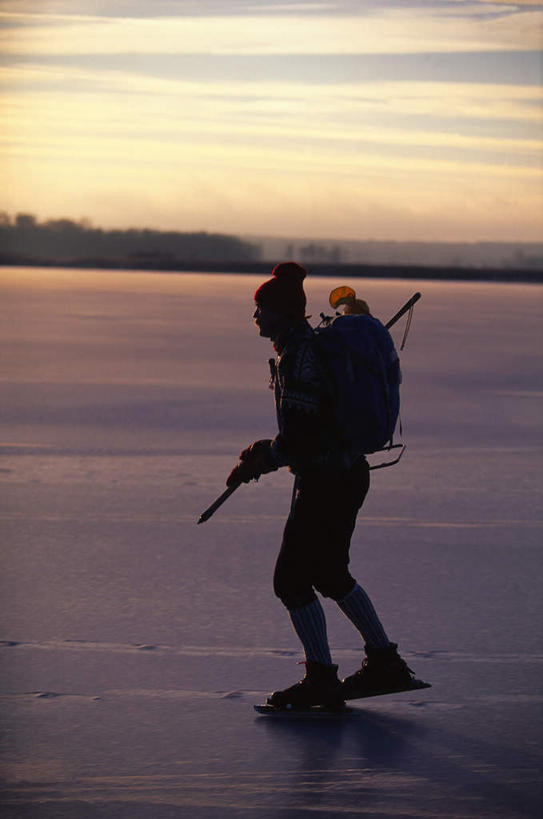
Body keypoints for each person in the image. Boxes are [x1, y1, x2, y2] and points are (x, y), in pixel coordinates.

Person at [227, 262, 415, 709]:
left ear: (284, 314)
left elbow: (300, 439)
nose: (256, 318)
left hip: (328, 480)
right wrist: (268, 451)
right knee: (329, 573)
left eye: (261, 310)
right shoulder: (305, 349)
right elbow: (309, 428)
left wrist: (262, 458)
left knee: (290, 580)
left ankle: (321, 680)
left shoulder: (300, 356)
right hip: (347, 474)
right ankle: (385, 661)